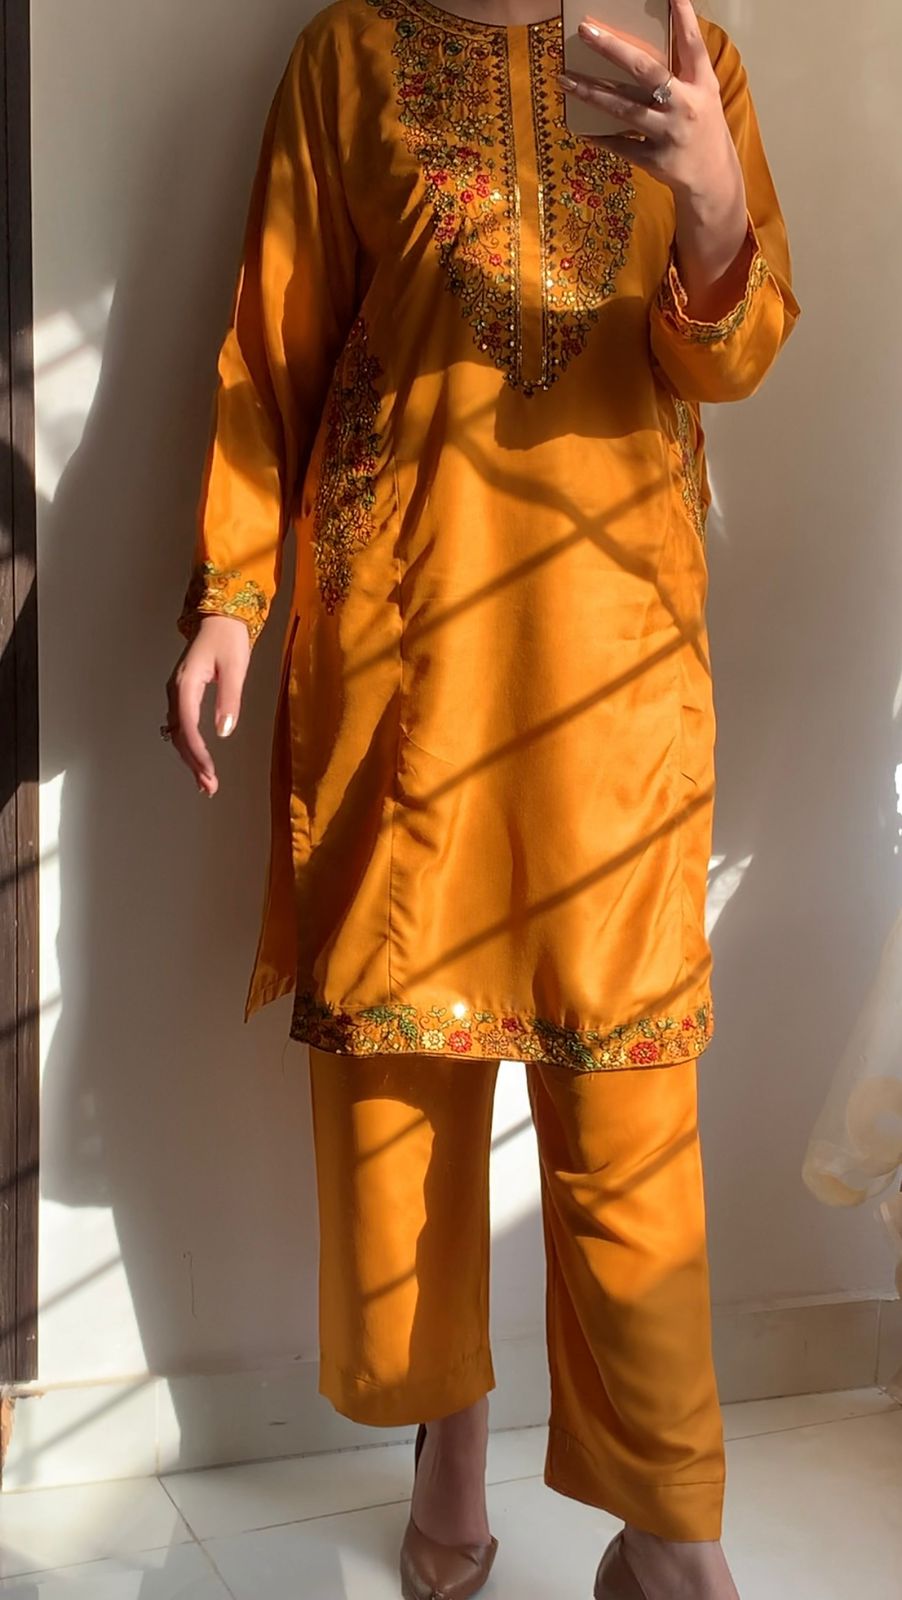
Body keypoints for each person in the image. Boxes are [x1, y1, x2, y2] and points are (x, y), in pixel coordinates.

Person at [163, 0, 800, 1593]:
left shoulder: (685, 52)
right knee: (406, 1084)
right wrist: (232, 595)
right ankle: (447, 1439)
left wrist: (713, 202)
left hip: (613, 662)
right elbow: (272, 345)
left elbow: (728, 356)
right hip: (402, 643)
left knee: (627, 1102)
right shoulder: (352, 55)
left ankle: (670, 1537)